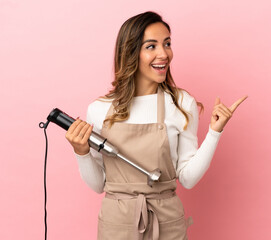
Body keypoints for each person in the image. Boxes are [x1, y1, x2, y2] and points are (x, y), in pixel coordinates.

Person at [65, 11, 247, 240]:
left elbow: (188, 179)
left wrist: (214, 133)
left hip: (167, 221)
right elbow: (99, 185)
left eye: (167, 44)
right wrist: (81, 153)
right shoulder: (99, 109)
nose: (164, 54)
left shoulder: (182, 104)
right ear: (131, 52)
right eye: (151, 46)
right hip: (117, 223)